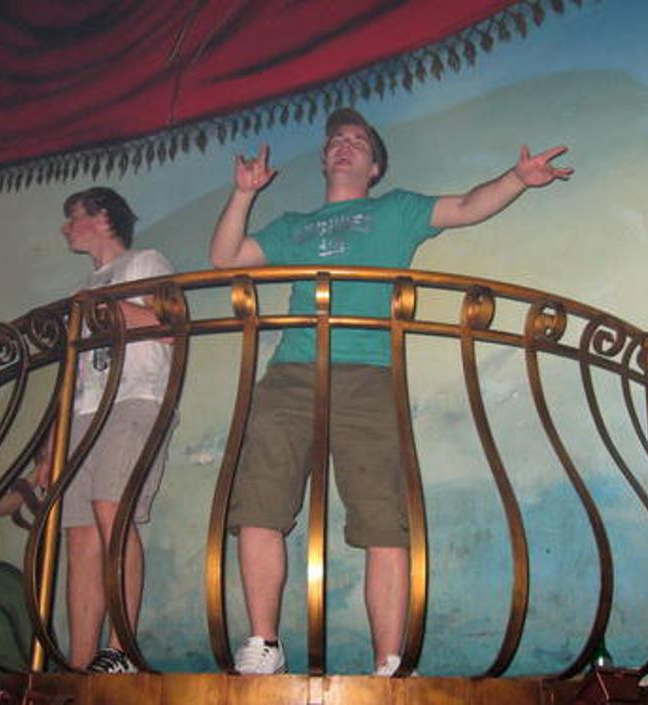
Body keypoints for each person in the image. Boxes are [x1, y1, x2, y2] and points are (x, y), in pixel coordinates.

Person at [210, 108, 572, 676]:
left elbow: (467, 206)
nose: (344, 145)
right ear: (325, 158)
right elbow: (226, 258)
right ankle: (264, 644)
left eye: (358, 141)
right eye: (336, 140)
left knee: (383, 515)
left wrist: (517, 179)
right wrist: (243, 193)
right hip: (292, 372)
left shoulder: (395, 209)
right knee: (258, 501)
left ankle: (389, 661)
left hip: (368, 372)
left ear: (375, 166)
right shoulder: (293, 224)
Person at [36, 187, 176, 673]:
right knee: (79, 537)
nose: (64, 227)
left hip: (135, 399)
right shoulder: (84, 288)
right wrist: (51, 443)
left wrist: (102, 308)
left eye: (71, 216)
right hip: (83, 413)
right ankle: (80, 666)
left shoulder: (145, 262)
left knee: (112, 513)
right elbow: (73, 373)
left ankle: (121, 651)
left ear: (101, 217)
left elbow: (168, 326)